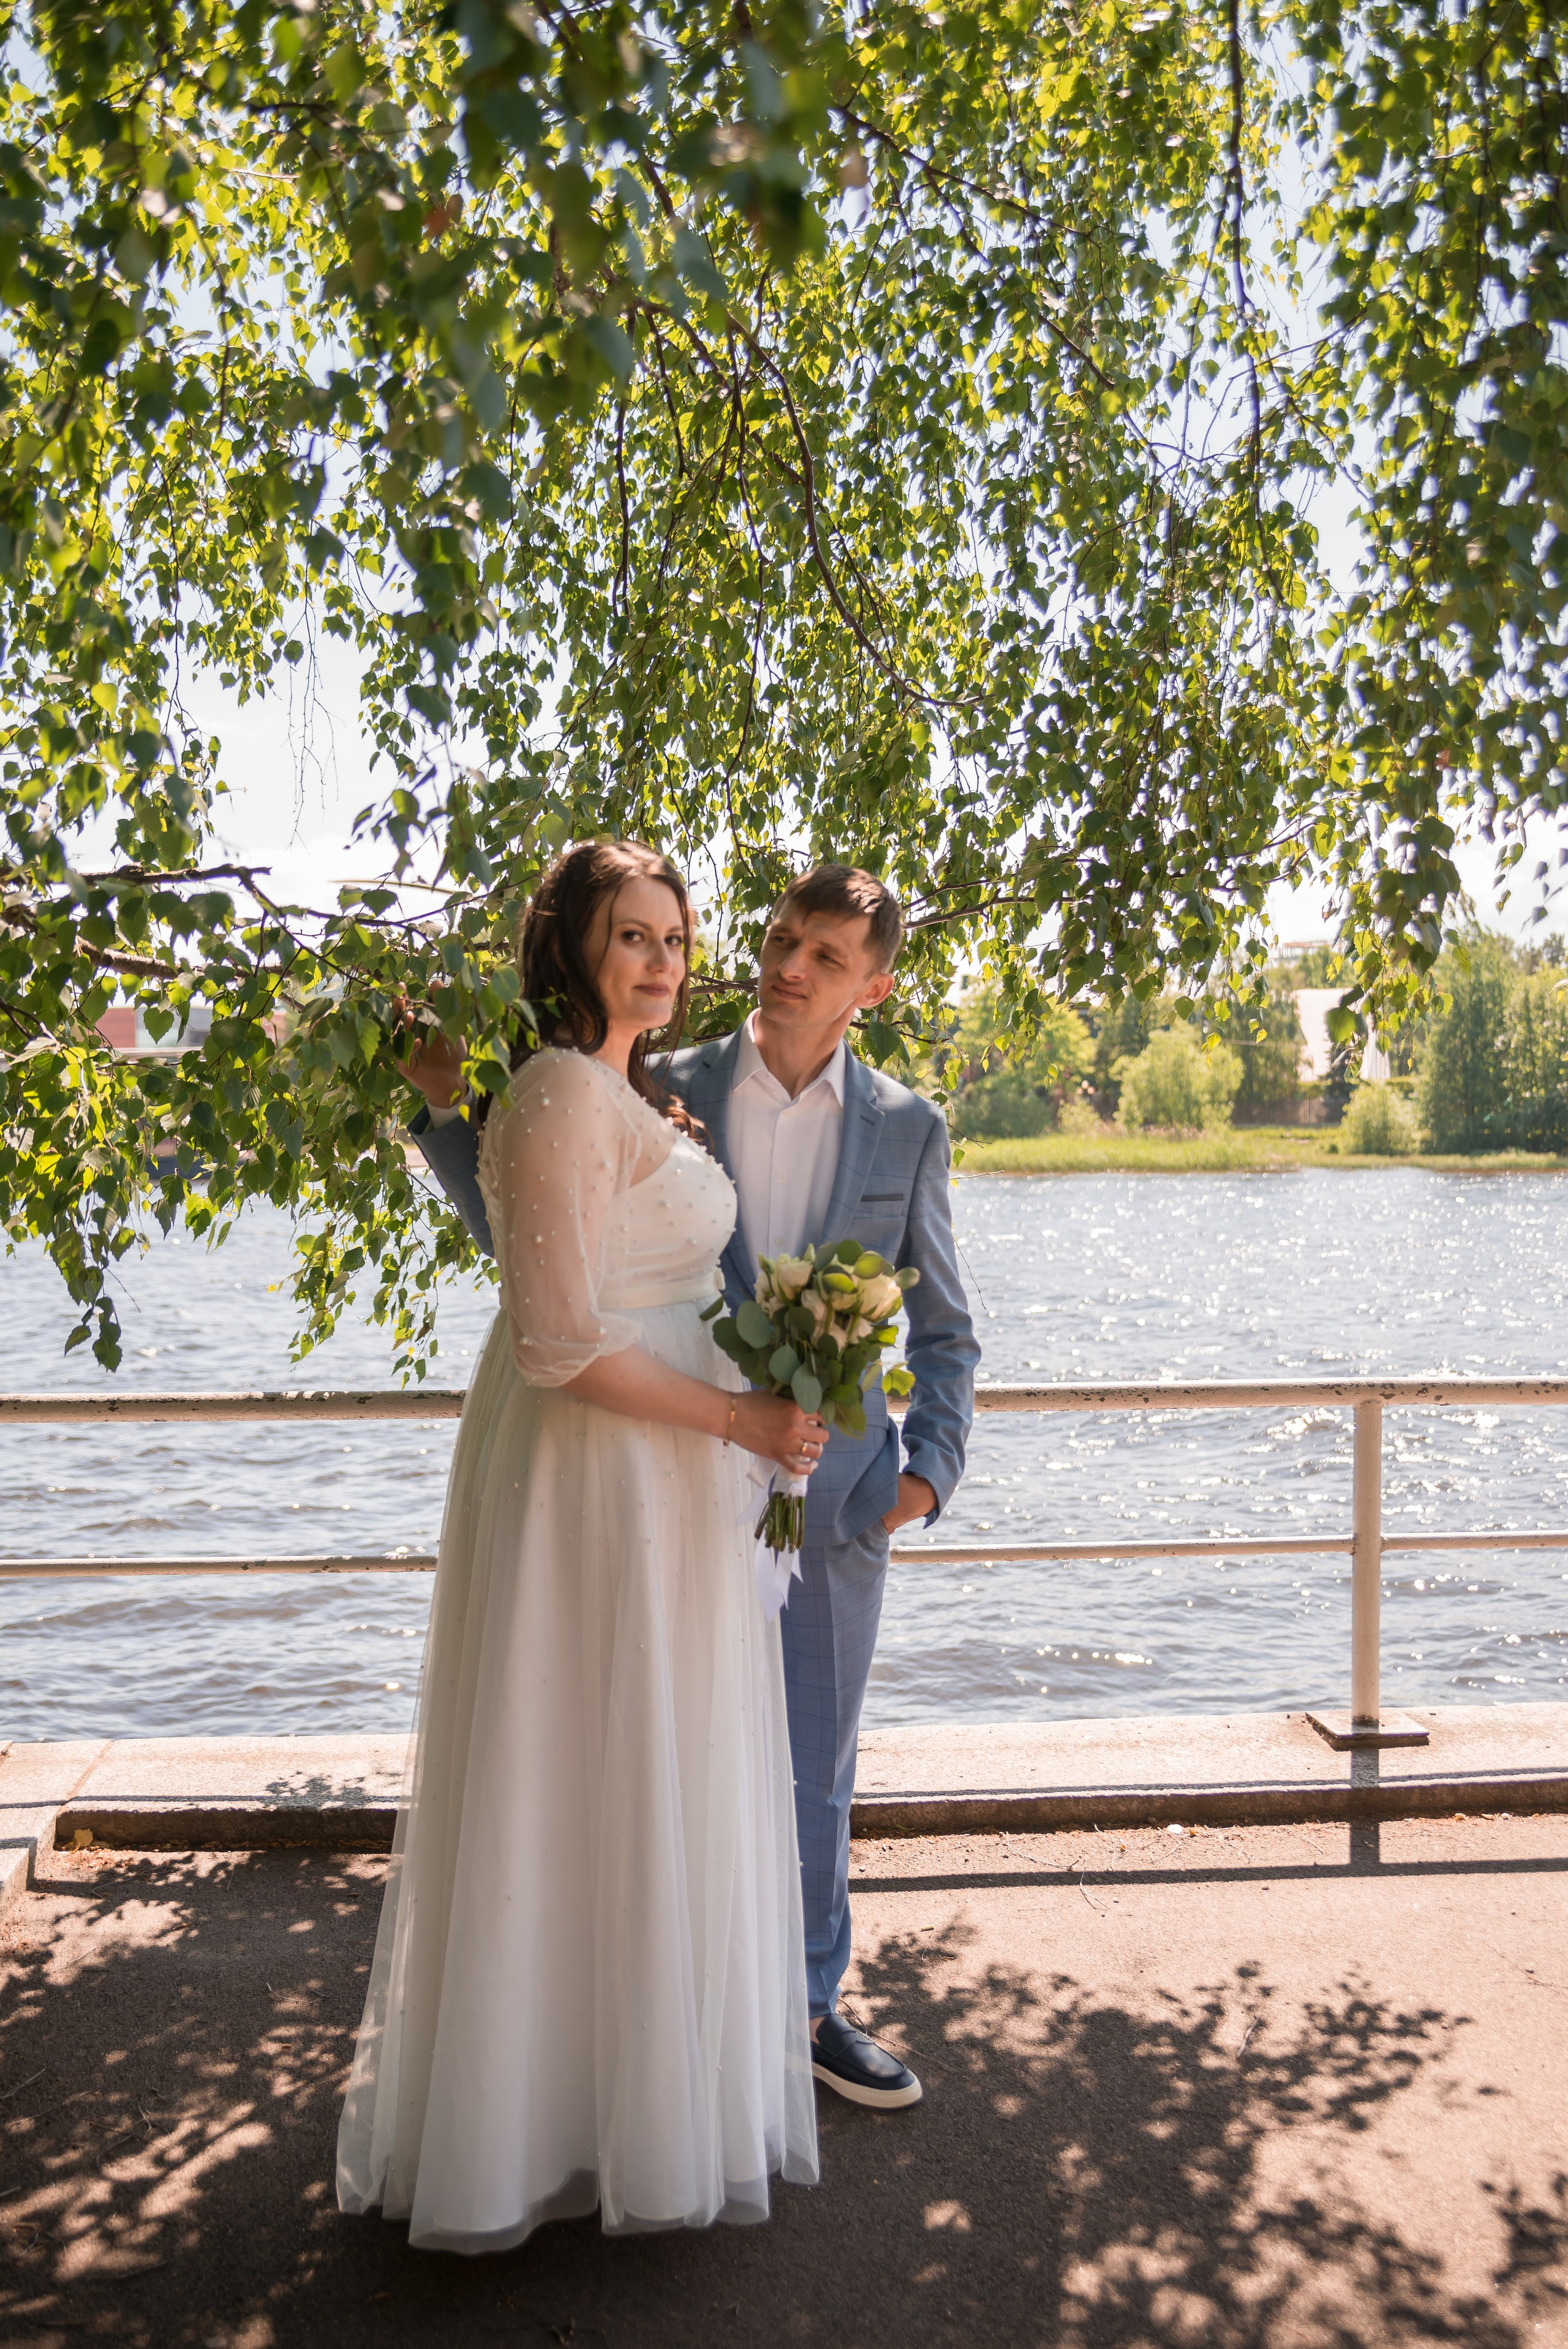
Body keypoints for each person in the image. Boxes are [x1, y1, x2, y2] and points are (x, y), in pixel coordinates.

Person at [408, 862, 980, 2110]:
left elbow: (946, 1327)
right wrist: (444, 1116)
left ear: (872, 988)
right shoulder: (659, 1079)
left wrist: (923, 1479)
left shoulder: (909, 1127)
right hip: (668, 1479)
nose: (788, 967)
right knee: (672, 1755)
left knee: (812, 1774)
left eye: (825, 957)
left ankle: (808, 2009)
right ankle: (673, 2021)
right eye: (780, 939)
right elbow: (541, 1246)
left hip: (831, 1499)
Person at [337, 841, 823, 2252]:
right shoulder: (557, 1088)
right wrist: (739, 1417)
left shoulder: (640, 1095)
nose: (661, 961)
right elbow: (555, 1338)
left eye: (674, 937)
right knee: (570, 1762)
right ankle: (530, 2124)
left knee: (653, 1766)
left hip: (675, 1477)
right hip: (595, 1469)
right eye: (630, 935)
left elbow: (670, 1285)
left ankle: (642, 2097)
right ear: (572, 950)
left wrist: (784, 1391)